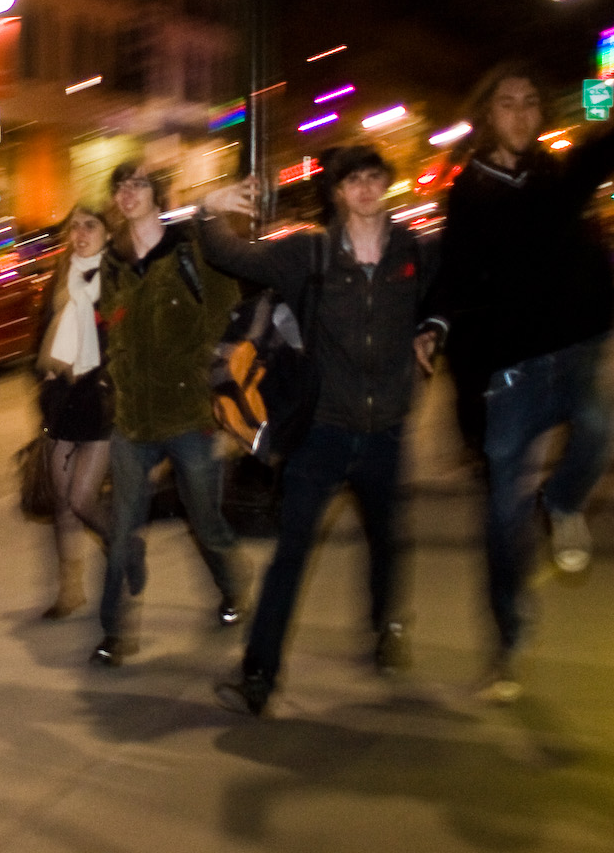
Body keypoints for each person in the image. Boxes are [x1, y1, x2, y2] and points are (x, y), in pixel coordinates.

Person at [199, 147, 439, 716]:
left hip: (385, 431)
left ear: (385, 185)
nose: (364, 188)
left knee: (387, 540)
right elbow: (231, 255)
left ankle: (387, 625)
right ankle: (258, 673)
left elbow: (448, 293)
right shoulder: (308, 253)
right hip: (322, 431)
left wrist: (434, 328)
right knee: (292, 553)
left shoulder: (412, 251)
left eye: (373, 178)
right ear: (336, 191)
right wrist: (209, 209)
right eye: (352, 180)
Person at [424, 63, 614, 702]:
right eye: (509, 103)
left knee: (598, 428)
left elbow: (596, 157)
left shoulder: (553, 175)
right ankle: (506, 647)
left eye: (533, 102)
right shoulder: (470, 190)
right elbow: (453, 272)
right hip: (511, 372)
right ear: (487, 118)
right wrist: (434, 324)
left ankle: (561, 504)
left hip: (570, 350)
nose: (524, 113)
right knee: (502, 517)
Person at [93, 162, 248, 666]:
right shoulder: (113, 264)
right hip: (133, 422)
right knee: (122, 531)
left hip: (187, 416)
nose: (127, 194)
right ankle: (115, 634)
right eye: (120, 187)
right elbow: (109, 329)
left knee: (205, 520)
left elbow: (227, 304)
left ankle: (231, 589)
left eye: (137, 185)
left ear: (157, 194)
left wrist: (202, 359)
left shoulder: (187, 253)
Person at [31, 202, 140, 618]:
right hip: (63, 400)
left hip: (101, 400)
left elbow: (130, 339)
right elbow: (41, 335)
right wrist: (42, 378)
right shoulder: (61, 276)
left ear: (108, 232)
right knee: (61, 503)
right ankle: (70, 589)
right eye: (74, 227)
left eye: (89, 226)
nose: (80, 234)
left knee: (81, 499)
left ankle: (123, 542)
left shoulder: (119, 278)